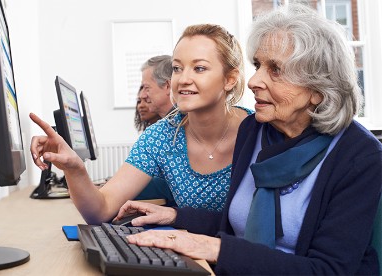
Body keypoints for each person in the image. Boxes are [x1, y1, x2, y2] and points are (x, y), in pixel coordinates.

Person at [114, 4, 382, 275]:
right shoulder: (253, 131)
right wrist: (177, 216)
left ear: (318, 89)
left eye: (275, 69)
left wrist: (216, 249)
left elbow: (330, 270)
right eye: (258, 65)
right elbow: (243, 225)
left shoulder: (359, 156)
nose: (253, 80)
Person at [30, 23, 253, 225]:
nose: (183, 79)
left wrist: (178, 217)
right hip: (195, 258)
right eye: (177, 68)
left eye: (199, 68)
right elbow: (100, 210)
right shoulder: (162, 136)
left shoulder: (258, 131)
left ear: (230, 79)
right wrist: (74, 168)